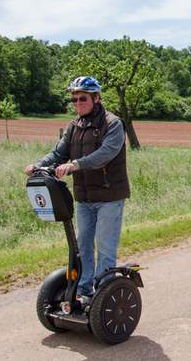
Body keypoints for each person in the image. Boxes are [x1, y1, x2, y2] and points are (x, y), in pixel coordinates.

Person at [24, 76, 130, 301]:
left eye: (82, 98)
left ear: (96, 98)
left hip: (109, 197)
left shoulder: (113, 124)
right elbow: (58, 153)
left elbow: (105, 155)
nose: (78, 103)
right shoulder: (74, 126)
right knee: (81, 245)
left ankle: (103, 294)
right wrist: (39, 165)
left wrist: (75, 165)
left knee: (104, 247)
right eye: (74, 99)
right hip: (84, 197)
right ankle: (83, 291)